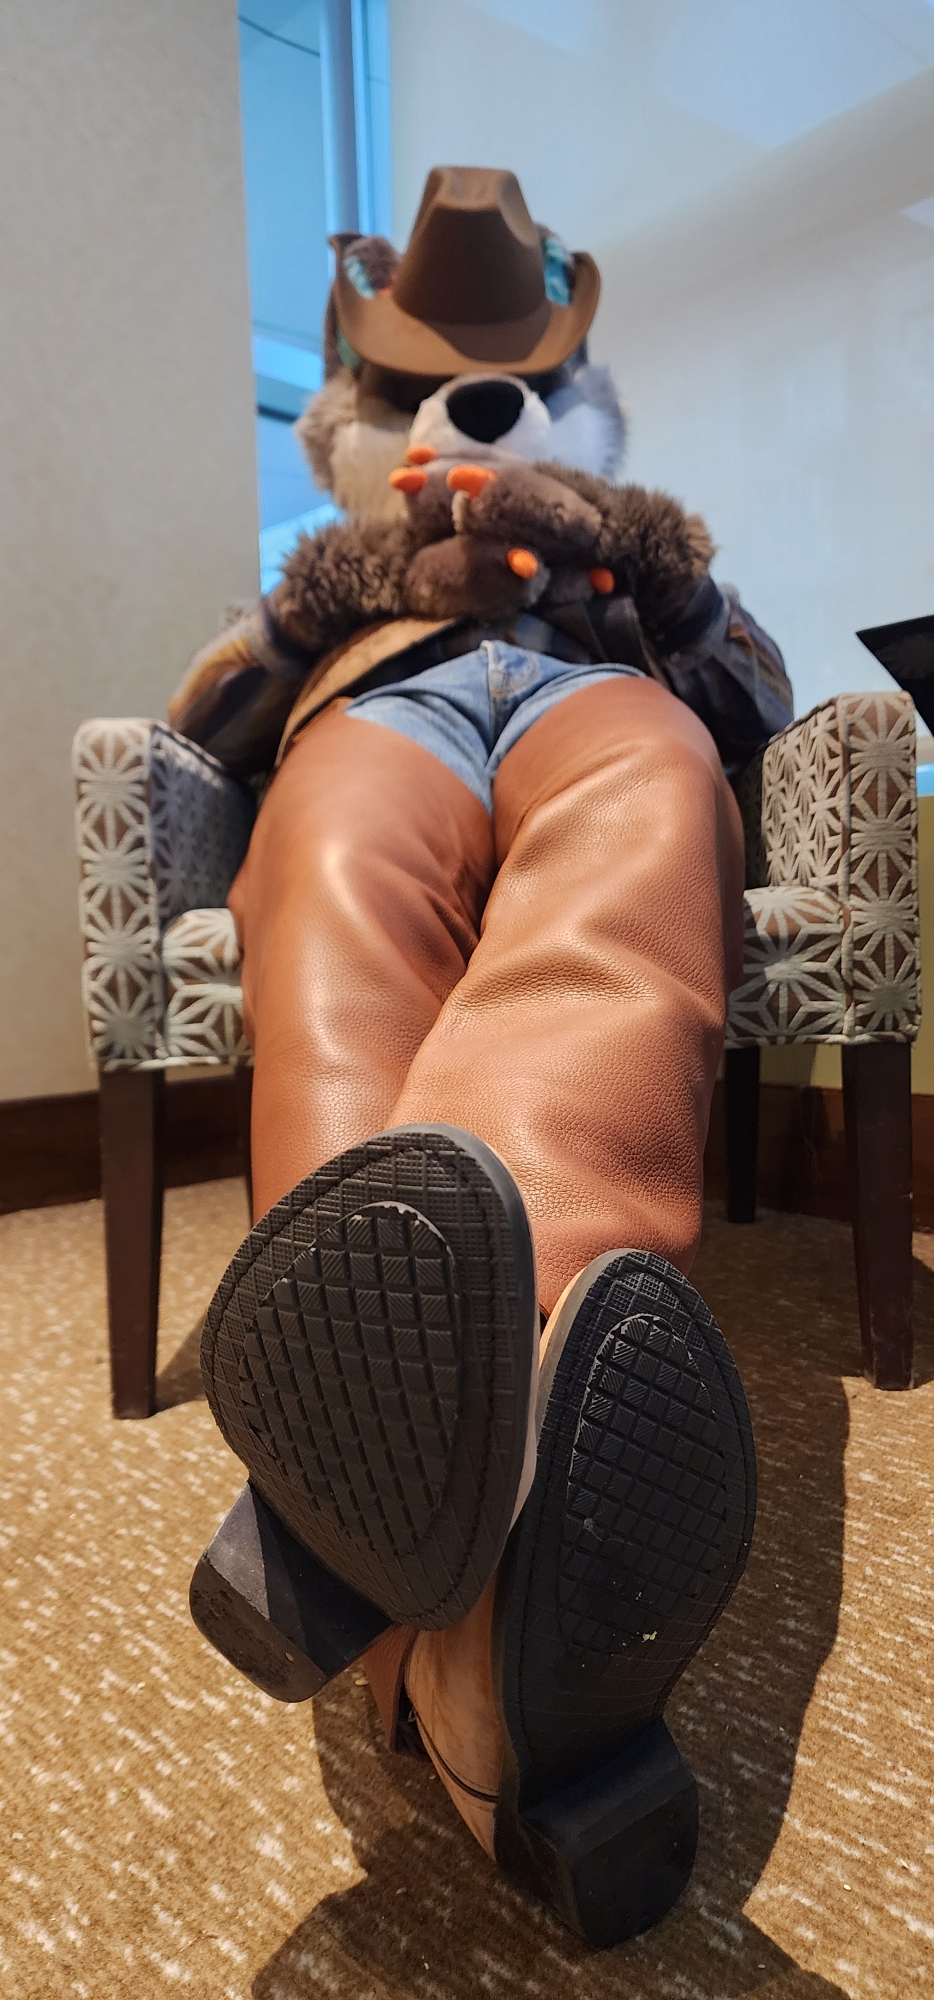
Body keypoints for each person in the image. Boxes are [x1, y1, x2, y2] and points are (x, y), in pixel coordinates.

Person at [178, 167, 791, 1945]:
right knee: (333, 879)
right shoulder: (336, 580)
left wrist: (632, 560)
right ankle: (467, 1616)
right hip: (382, 702)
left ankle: (377, 1507)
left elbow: (753, 700)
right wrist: (331, 595)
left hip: (598, 699)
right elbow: (203, 717)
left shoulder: (630, 567)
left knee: (650, 823)